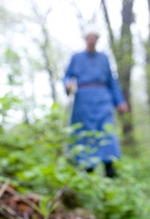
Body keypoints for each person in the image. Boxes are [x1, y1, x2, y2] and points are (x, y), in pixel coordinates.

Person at [63, 29, 128, 177]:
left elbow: (112, 81)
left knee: (106, 129)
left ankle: (109, 167)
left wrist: (120, 101)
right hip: (83, 100)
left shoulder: (104, 58)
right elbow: (67, 76)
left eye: (95, 37)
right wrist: (68, 85)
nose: (92, 40)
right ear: (86, 39)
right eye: (89, 37)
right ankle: (88, 169)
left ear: (97, 40)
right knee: (85, 132)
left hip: (103, 98)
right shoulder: (76, 57)